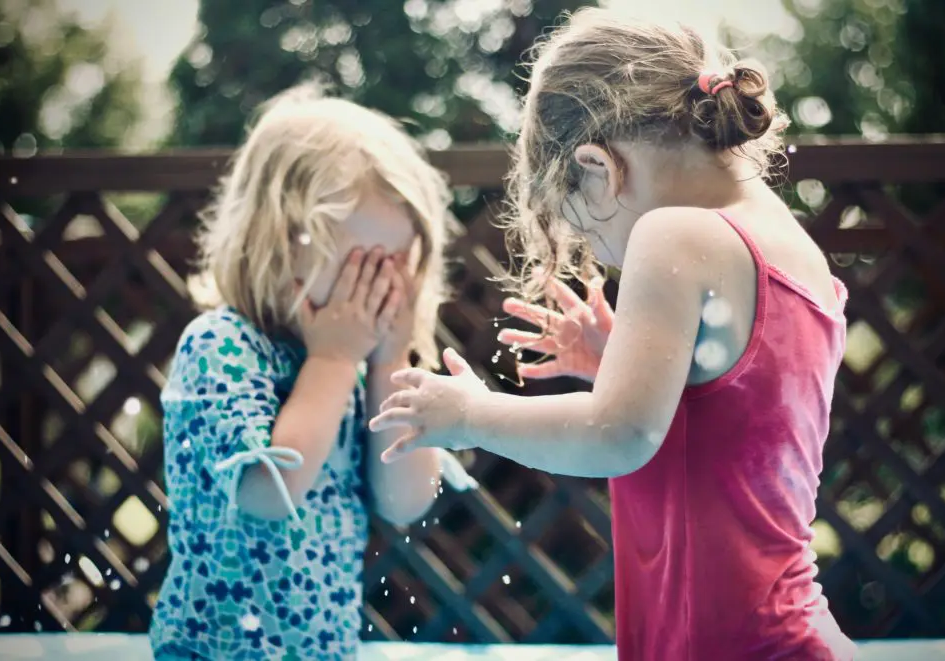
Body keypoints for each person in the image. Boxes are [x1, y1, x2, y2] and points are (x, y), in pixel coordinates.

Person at [370, 8, 856, 660]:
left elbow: (619, 434)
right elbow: (736, 416)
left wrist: (471, 414)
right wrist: (616, 362)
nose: (606, 253)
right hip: (786, 633)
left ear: (598, 166)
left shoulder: (673, 232)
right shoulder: (792, 249)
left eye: (591, 235)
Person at [150, 83, 472, 661]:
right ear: (277, 244)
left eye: (395, 265)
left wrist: (390, 363)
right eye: (362, 264)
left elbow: (406, 501)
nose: (380, 287)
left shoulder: (354, 364)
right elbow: (267, 493)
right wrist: (333, 360)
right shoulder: (222, 348)